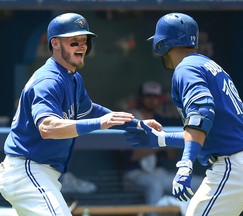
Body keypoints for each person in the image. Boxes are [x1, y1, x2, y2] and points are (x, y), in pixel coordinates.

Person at [0, 13, 160, 216]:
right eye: (74, 41)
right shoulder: (48, 80)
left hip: (42, 174)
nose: (81, 46)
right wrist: (98, 123)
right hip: (28, 171)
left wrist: (135, 124)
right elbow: (47, 128)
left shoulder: (72, 78)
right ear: (55, 44)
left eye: (84, 41)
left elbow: (90, 110)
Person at [124, 13, 243, 215]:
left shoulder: (186, 68)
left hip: (234, 163)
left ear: (162, 43)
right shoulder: (207, 65)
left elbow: (201, 115)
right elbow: (206, 130)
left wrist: (185, 165)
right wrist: (162, 139)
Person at [122, 81, 202, 216]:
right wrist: (160, 144)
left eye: (155, 97)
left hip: (157, 173)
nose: (152, 101)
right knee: (155, 184)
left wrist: (167, 144)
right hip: (133, 175)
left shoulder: (160, 120)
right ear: (141, 98)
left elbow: (170, 155)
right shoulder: (130, 118)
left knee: (200, 183)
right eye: (148, 97)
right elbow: (131, 155)